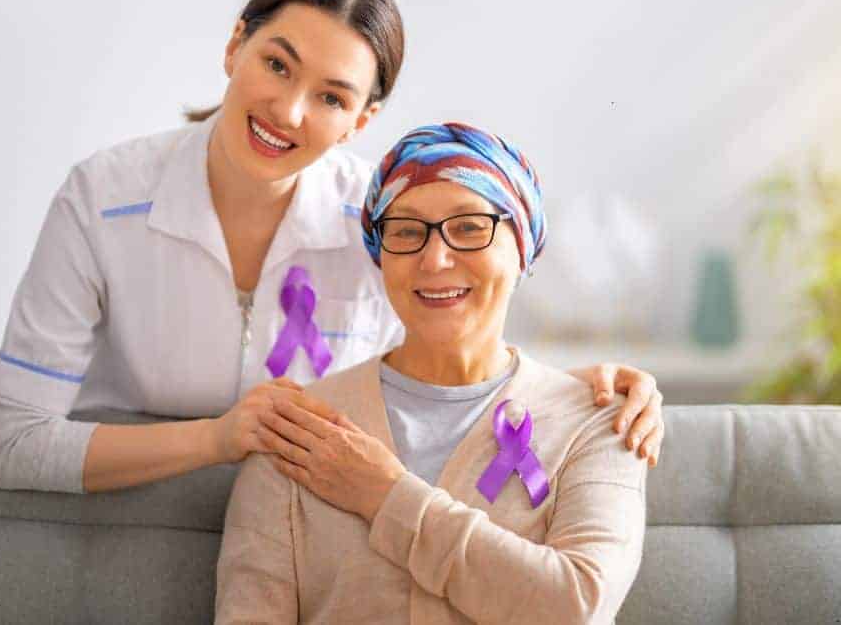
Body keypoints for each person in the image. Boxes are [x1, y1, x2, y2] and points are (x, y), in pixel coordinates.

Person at [0, 0, 664, 496]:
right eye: (276, 64)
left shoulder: (386, 221)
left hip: (310, 541)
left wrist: (581, 395)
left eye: (332, 96)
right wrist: (217, 439)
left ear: (361, 120)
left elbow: (450, 385)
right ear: (234, 46)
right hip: (127, 523)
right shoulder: (102, 199)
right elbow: (15, 441)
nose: (289, 110)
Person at [216, 123, 647, 624]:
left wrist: (384, 494)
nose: (435, 257)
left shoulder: (600, 422)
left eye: (469, 227)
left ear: (523, 247)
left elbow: (576, 605)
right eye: (406, 231)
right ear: (381, 255)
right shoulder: (296, 431)